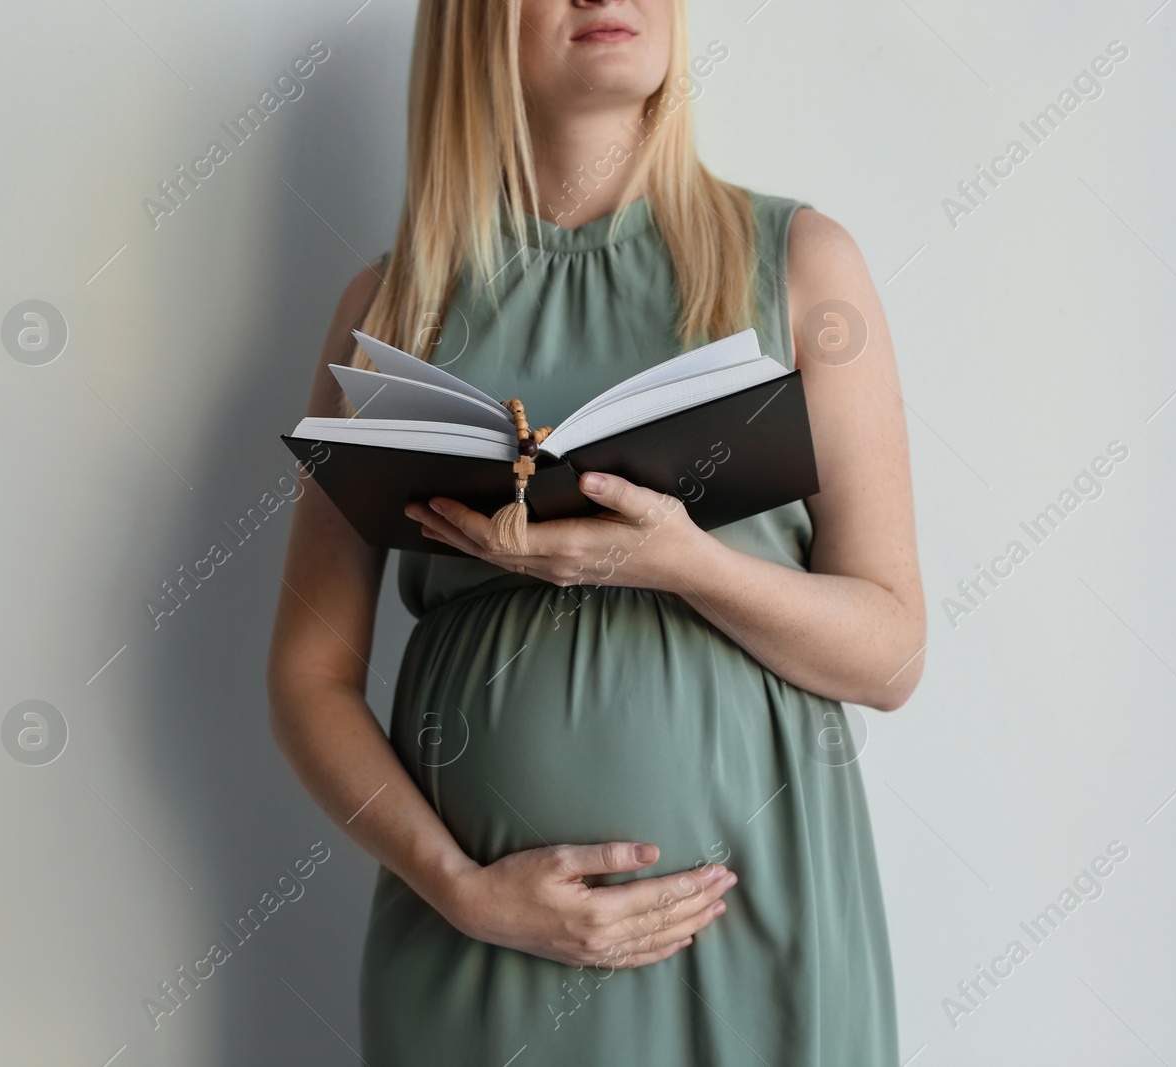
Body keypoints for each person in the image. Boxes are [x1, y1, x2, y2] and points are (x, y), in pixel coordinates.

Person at [266, 0, 926, 1062]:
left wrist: (682, 563)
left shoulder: (798, 262)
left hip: (754, 939)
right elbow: (308, 673)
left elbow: (891, 651)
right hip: (480, 952)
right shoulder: (392, 309)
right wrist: (463, 890)